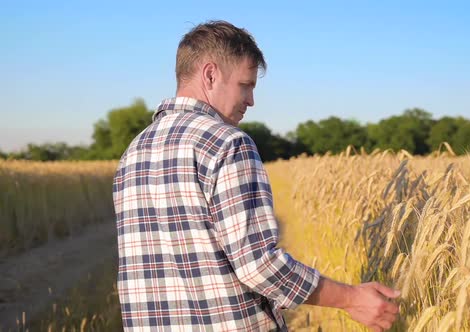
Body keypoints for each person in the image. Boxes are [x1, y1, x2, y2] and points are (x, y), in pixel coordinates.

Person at [113, 20, 400, 332]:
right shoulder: (226, 142)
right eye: (245, 85)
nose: (251, 100)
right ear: (210, 75)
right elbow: (258, 265)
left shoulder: (134, 151)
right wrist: (351, 299)